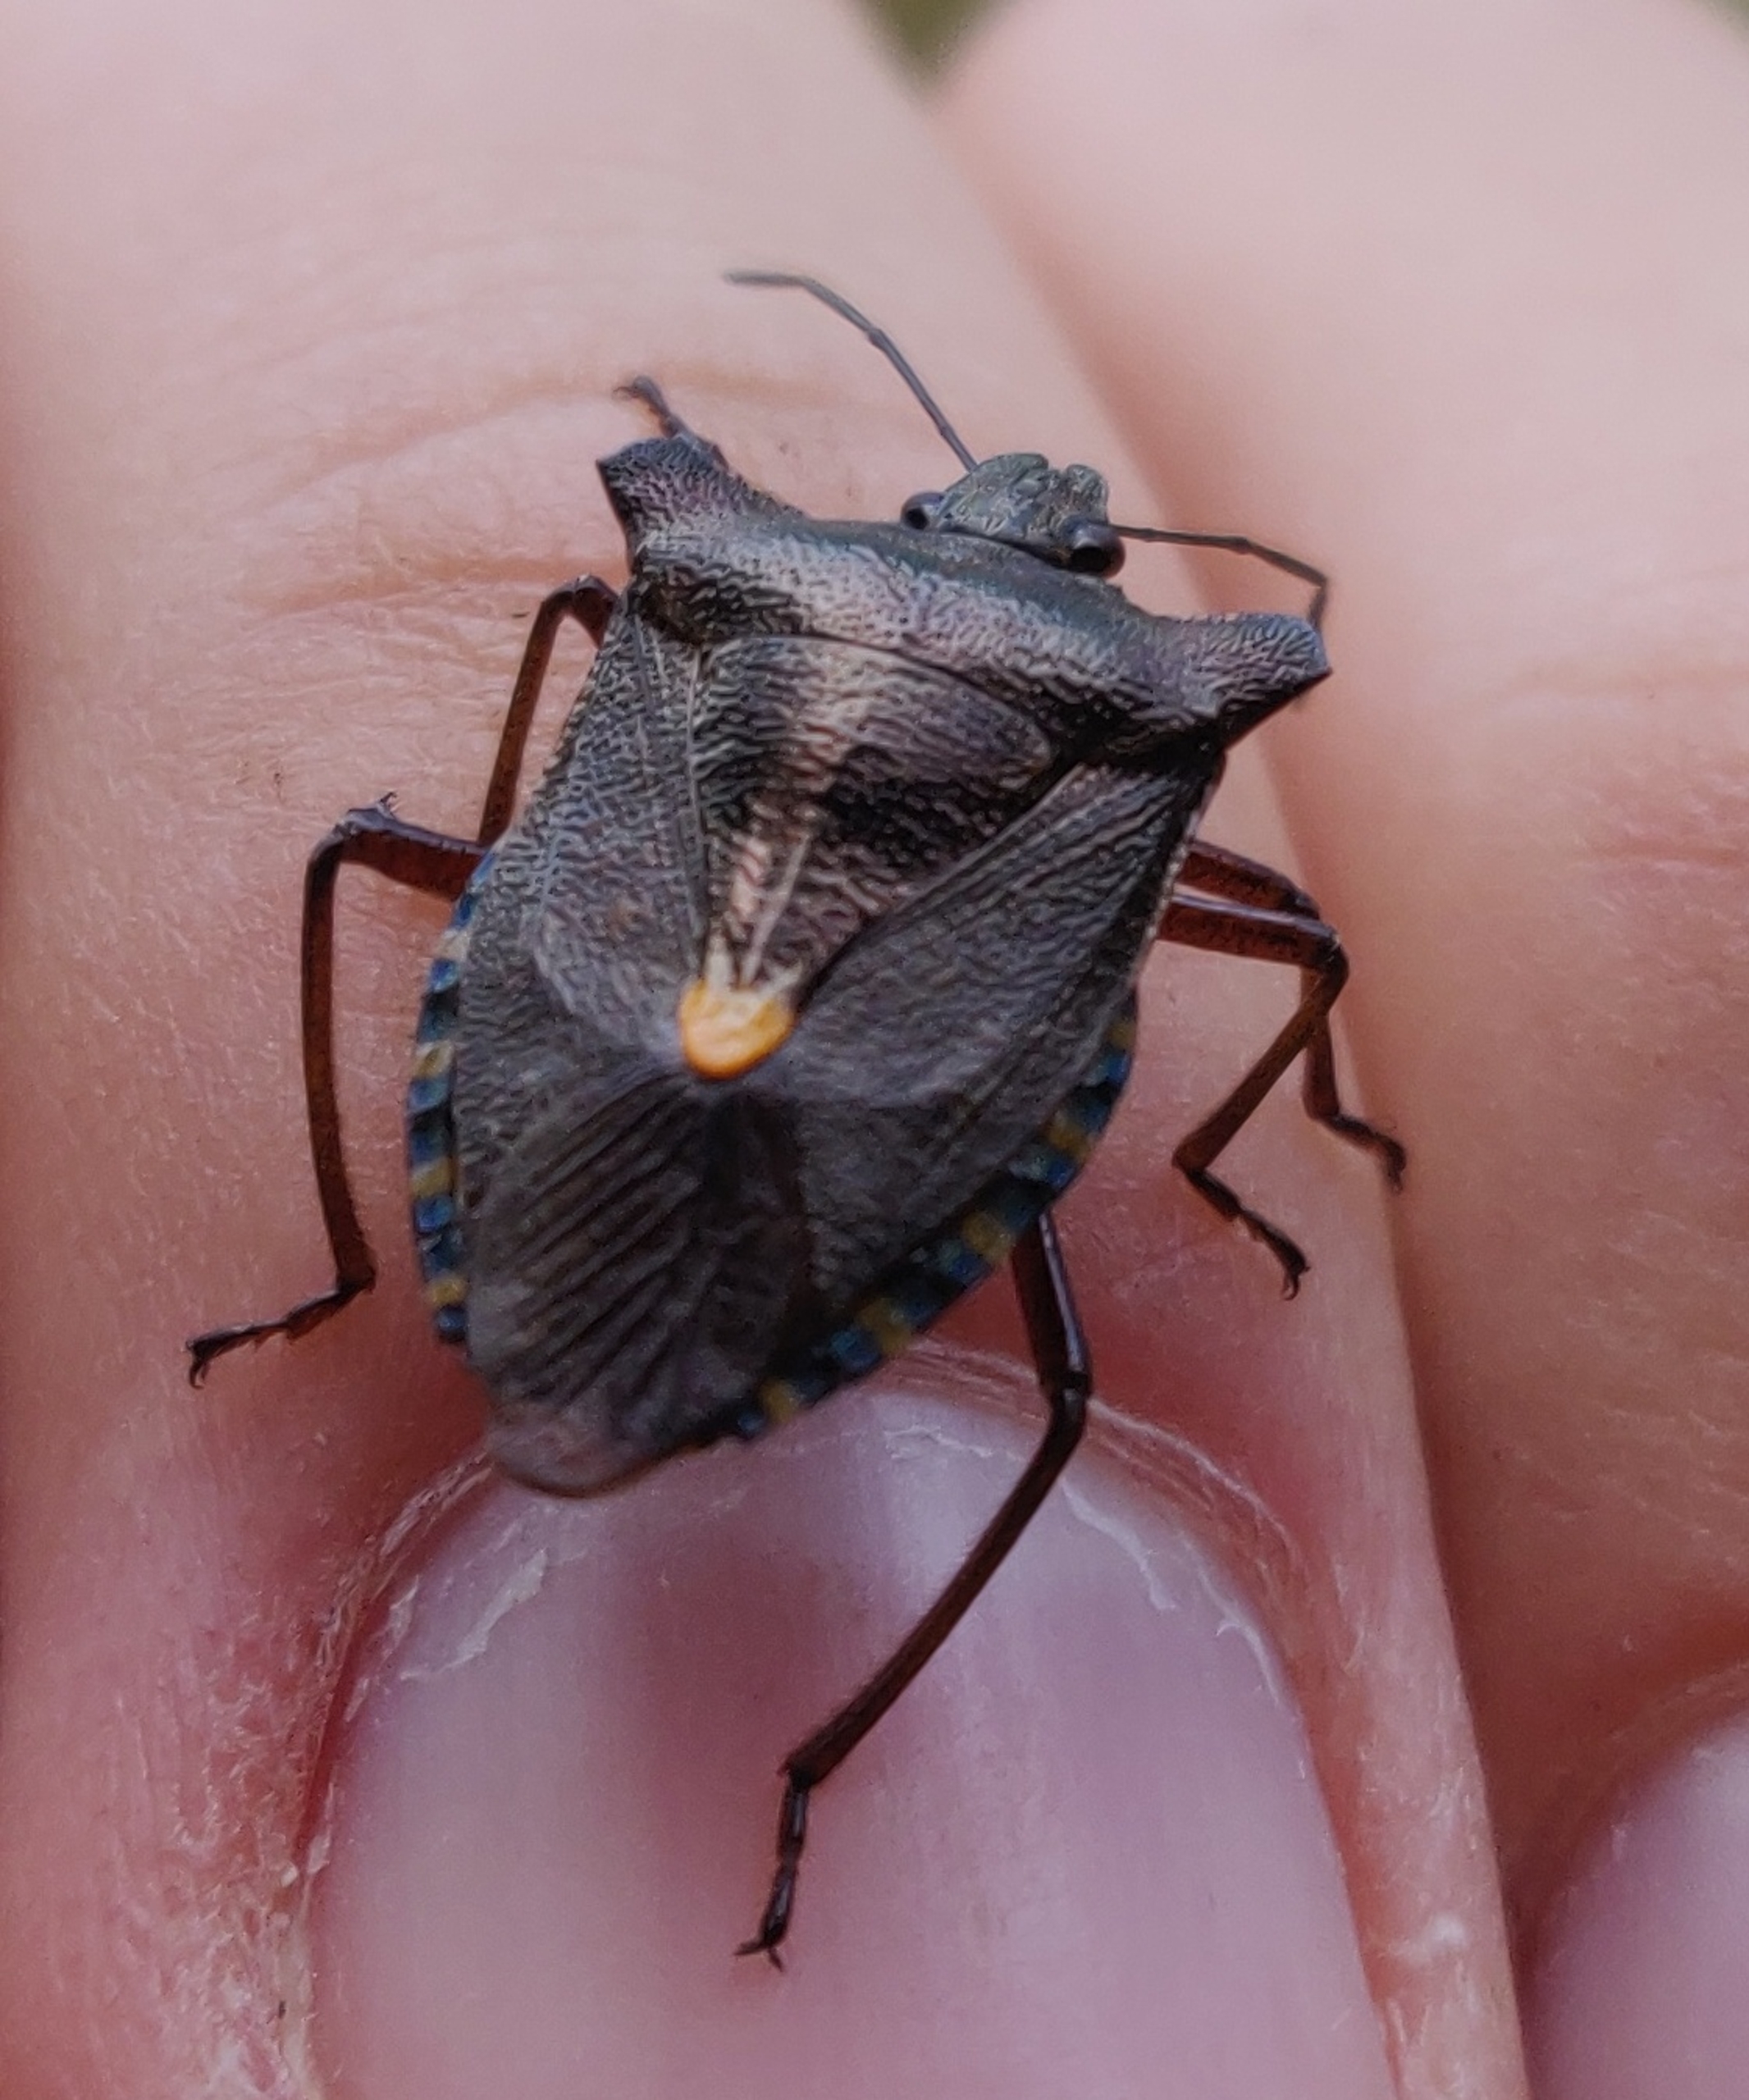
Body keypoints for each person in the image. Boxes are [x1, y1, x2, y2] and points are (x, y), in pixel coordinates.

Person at [0, 0, 1742, 2093]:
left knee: (356, 856)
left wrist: (531, 846)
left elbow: (569, 628)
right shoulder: (1147, 710)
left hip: (584, 1002)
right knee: (1072, 1385)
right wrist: (1246, 1141)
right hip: (898, 1098)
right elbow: (1302, 963)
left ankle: (351, 1278)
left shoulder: (721, 585)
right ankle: (807, 1764)